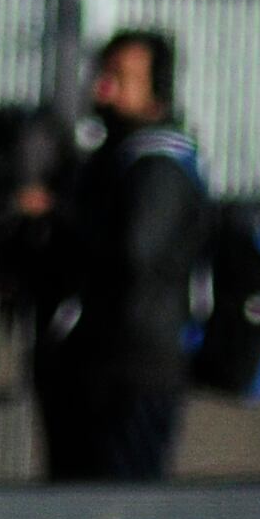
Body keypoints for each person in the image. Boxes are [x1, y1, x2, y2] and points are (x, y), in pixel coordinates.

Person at [28, 31, 212, 482]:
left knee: (123, 498)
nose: (103, 90)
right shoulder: (110, 158)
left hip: (135, 366)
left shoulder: (159, 164)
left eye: (121, 78)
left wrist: (60, 215)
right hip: (92, 363)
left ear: (156, 91)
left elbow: (134, 252)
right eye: (102, 75)